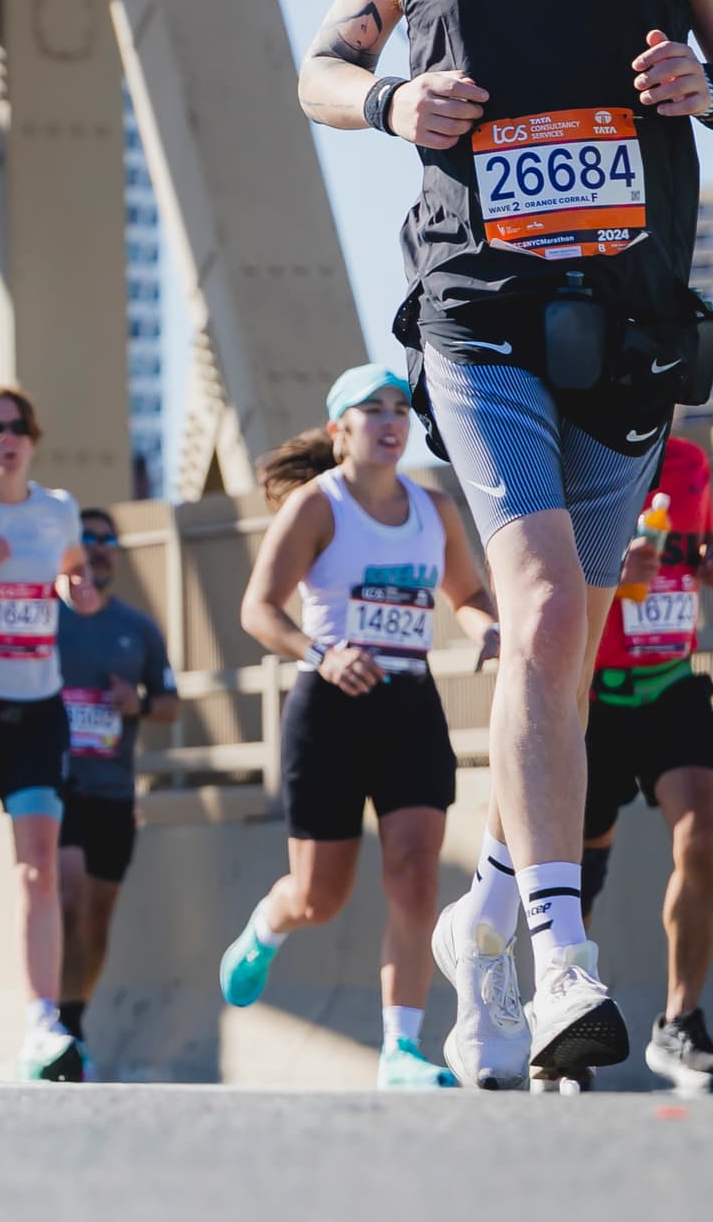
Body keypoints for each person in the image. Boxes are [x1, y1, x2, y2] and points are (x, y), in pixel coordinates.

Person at [314, 0, 713, 1087]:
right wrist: (387, 97)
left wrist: (702, 87)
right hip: (479, 321)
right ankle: (559, 956)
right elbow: (317, 68)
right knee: (539, 601)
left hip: (628, 338)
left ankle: (486, 922)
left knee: (558, 646)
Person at [218, 369, 496, 1086]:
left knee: (414, 876)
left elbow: (465, 592)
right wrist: (323, 652)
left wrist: (488, 628)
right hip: (330, 708)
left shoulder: (434, 509)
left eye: (401, 407)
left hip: (409, 704)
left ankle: (400, 1049)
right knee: (321, 896)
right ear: (340, 429)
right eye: (371, 409)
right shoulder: (319, 505)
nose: (390, 420)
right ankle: (268, 925)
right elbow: (260, 608)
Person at [0, 386, 98, 1080]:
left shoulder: (58, 509)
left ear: (32, 439)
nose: (4, 440)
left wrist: (78, 589)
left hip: (38, 709)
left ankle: (42, 1022)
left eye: (15, 428)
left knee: (38, 870)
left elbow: (71, 569)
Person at [582, 422, 713, 1087]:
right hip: (595, 693)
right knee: (581, 869)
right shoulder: (585, 452)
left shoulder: (692, 463)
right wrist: (605, 569)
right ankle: (567, 1020)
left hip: (671, 682)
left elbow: (701, 551)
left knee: (703, 841)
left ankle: (679, 1023)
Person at [52, 503, 173, 1076]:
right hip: (57, 787)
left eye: (107, 540)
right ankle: (51, 1022)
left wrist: (139, 704)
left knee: (96, 918)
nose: (98, 547)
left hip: (114, 791)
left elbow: (169, 703)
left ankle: (73, 1022)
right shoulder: (45, 619)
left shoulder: (137, 629)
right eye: (87, 538)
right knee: (68, 899)